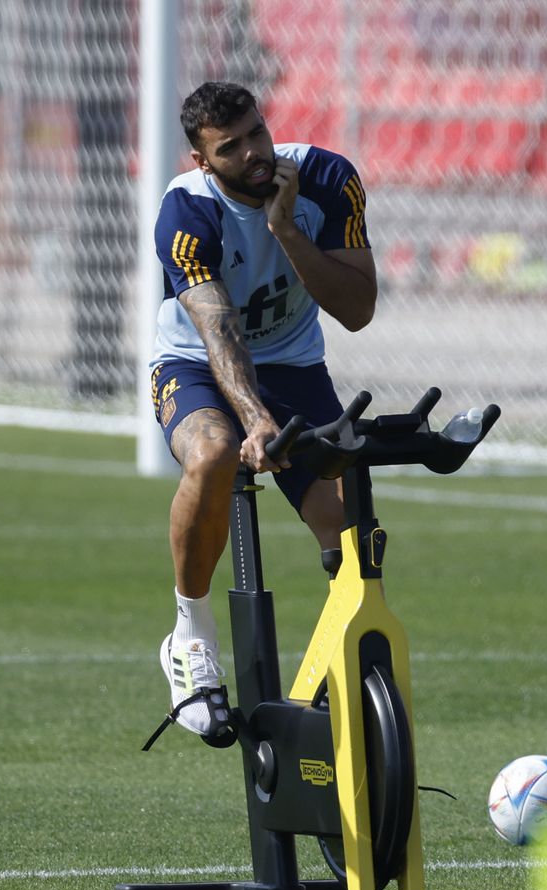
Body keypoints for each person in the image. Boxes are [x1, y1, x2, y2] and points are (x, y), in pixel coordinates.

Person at [149, 81, 376, 744]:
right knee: (215, 452)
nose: (252, 153)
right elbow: (219, 332)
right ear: (201, 161)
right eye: (230, 147)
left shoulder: (329, 180)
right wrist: (254, 416)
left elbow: (358, 310)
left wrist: (284, 227)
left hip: (294, 366)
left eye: (256, 133)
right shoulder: (185, 212)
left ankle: (347, 670)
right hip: (195, 365)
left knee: (350, 527)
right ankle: (190, 638)